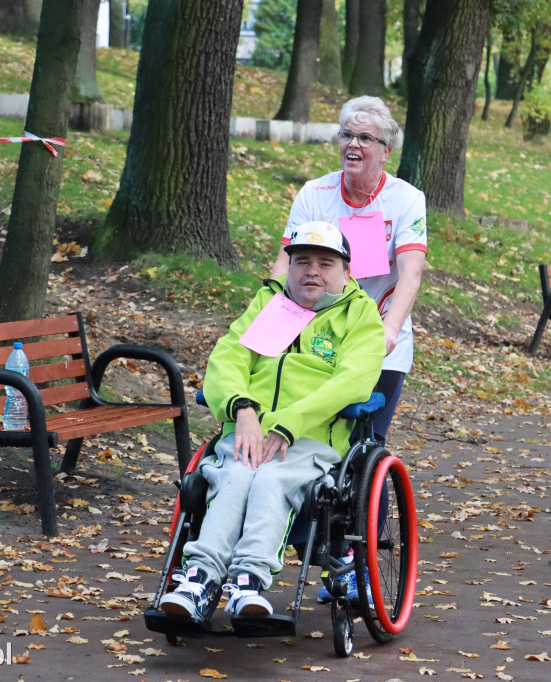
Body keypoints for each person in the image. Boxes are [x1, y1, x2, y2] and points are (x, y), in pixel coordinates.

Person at [158, 221, 385, 623]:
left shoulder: (358, 314)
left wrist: (289, 423)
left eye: (324, 262)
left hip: (310, 439)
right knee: (235, 476)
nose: (311, 271)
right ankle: (197, 579)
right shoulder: (270, 302)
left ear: (345, 272)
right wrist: (242, 408)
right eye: (302, 262)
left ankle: (247, 582)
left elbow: (355, 379)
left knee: (269, 479)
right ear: (290, 266)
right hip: (246, 431)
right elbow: (227, 358)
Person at [270, 95, 427, 445]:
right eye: (346, 135)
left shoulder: (406, 199)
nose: (353, 144)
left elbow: (411, 272)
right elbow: (285, 262)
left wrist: (389, 330)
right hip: (317, 336)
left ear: (386, 151)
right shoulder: (315, 193)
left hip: (377, 337)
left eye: (365, 138)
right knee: (311, 436)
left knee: (365, 446)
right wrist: (272, 321)